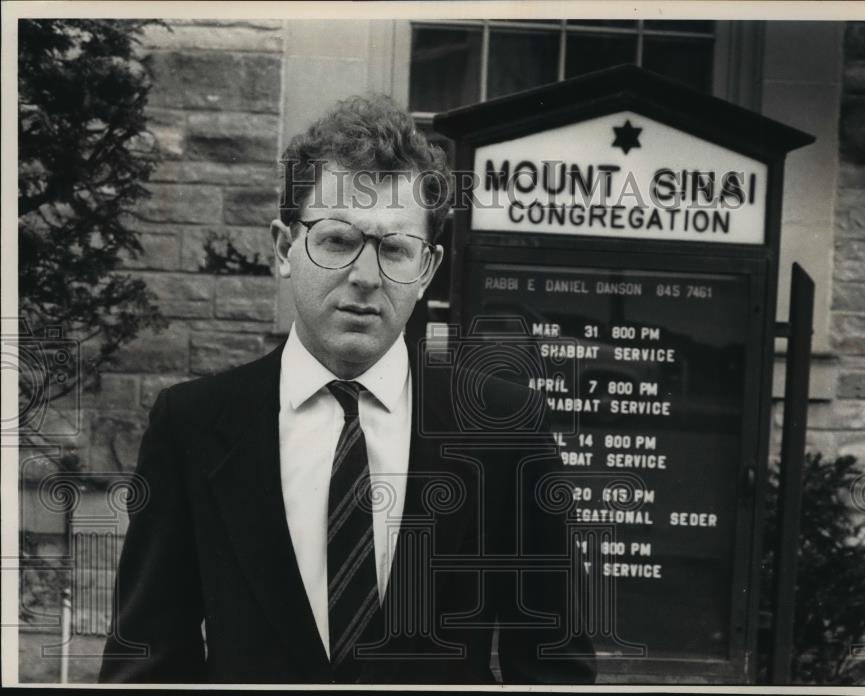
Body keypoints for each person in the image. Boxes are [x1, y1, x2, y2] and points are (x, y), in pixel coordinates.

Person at [99, 95, 595, 684]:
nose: (365, 276)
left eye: (393, 248)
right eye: (337, 240)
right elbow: (147, 661)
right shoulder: (192, 424)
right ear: (285, 249)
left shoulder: (502, 426)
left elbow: (552, 662)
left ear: (427, 269)